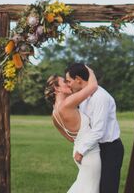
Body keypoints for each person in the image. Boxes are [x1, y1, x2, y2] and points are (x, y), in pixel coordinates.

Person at [65, 63, 124, 193]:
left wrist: (81, 150)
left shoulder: (100, 97)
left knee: (107, 189)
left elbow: (98, 130)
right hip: (96, 149)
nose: (68, 84)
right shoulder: (84, 96)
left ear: (78, 79)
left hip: (110, 149)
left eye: (69, 81)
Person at [44, 66, 101, 193]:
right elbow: (93, 87)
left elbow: (71, 137)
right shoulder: (68, 103)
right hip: (90, 153)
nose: (68, 84)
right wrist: (90, 71)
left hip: (79, 150)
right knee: (91, 189)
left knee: (82, 187)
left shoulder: (54, 114)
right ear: (57, 88)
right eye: (64, 82)